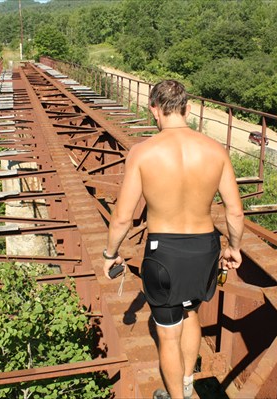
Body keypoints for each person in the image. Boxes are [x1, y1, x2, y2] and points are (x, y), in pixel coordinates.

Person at [103, 80, 244, 399]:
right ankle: (186, 383)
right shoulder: (215, 150)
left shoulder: (142, 153)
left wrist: (110, 253)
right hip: (205, 249)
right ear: (188, 108)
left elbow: (123, 217)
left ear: (154, 109)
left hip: (164, 253)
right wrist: (234, 248)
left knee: (167, 335)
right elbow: (235, 212)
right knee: (190, 312)